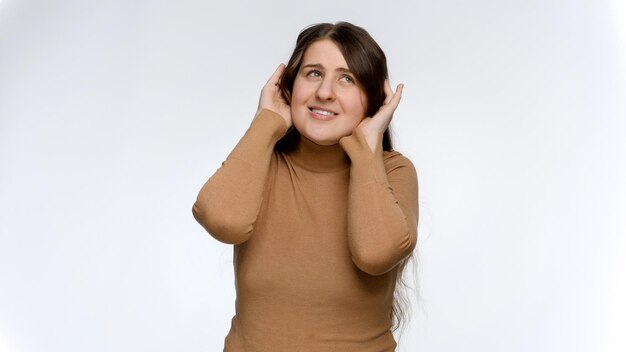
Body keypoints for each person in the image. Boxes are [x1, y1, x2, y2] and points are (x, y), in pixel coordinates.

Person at [192, 21, 418, 352]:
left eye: (347, 78)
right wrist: (265, 123)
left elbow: (376, 253)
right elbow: (221, 219)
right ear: (288, 87)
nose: (324, 92)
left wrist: (367, 150)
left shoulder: (392, 171)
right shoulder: (260, 166)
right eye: (313, 73)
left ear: (375, 100)